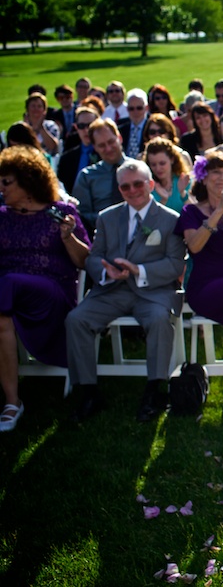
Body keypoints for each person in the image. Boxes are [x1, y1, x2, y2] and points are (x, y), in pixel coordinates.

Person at [65, 159, 186, 423]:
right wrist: (106, 270)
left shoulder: (171, 220)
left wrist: (138, 269)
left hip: (153, 290)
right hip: (112, 290)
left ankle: (154, 391)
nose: (132, 190)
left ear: (151, 184)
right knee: (76, 319)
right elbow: (93, 257)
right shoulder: (107, 217)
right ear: (119, 189)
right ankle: (87, 391)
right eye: (125, 187)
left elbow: (176, 263)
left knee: (158, 319)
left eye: (138, 184)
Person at [0, 146, 91, 432]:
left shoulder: (61, 212)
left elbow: (84, 261)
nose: (0, 188)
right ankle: (12, 400)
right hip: (7, 296)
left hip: (51, 292)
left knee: (8, 282)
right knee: (2, 313)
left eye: (6, 182)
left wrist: (68, 237)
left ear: (28, 181)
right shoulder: (1, 215)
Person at [174, 151, 223, 409]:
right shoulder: (191, 212)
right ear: (203, 178)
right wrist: (217, 212)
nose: (222, 177)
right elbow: (194, 247)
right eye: (216, 172)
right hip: (205, 285)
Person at [72, 118, 129, 236]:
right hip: (103, 235)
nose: (108, 149)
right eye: (102, 145)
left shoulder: (139, 169)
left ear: (120, 138)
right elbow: (81, 215)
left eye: (111, 142)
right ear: (95, 147)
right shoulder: (87, 177)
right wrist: (108, 218)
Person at [56, 106, 100, 194]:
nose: (86, 130)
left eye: (90, 125)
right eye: (81, 126)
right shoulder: (66, 158)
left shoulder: (106, 154)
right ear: (76, 127)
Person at [143, 137, 191, 213]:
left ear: (172, 159)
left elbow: (196, 215)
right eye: (153, 164)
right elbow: (150, 220)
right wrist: (163, 200)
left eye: (162, 163)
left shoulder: (185, 181)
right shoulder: (147, 187)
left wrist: (183, 194)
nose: (158, 168)